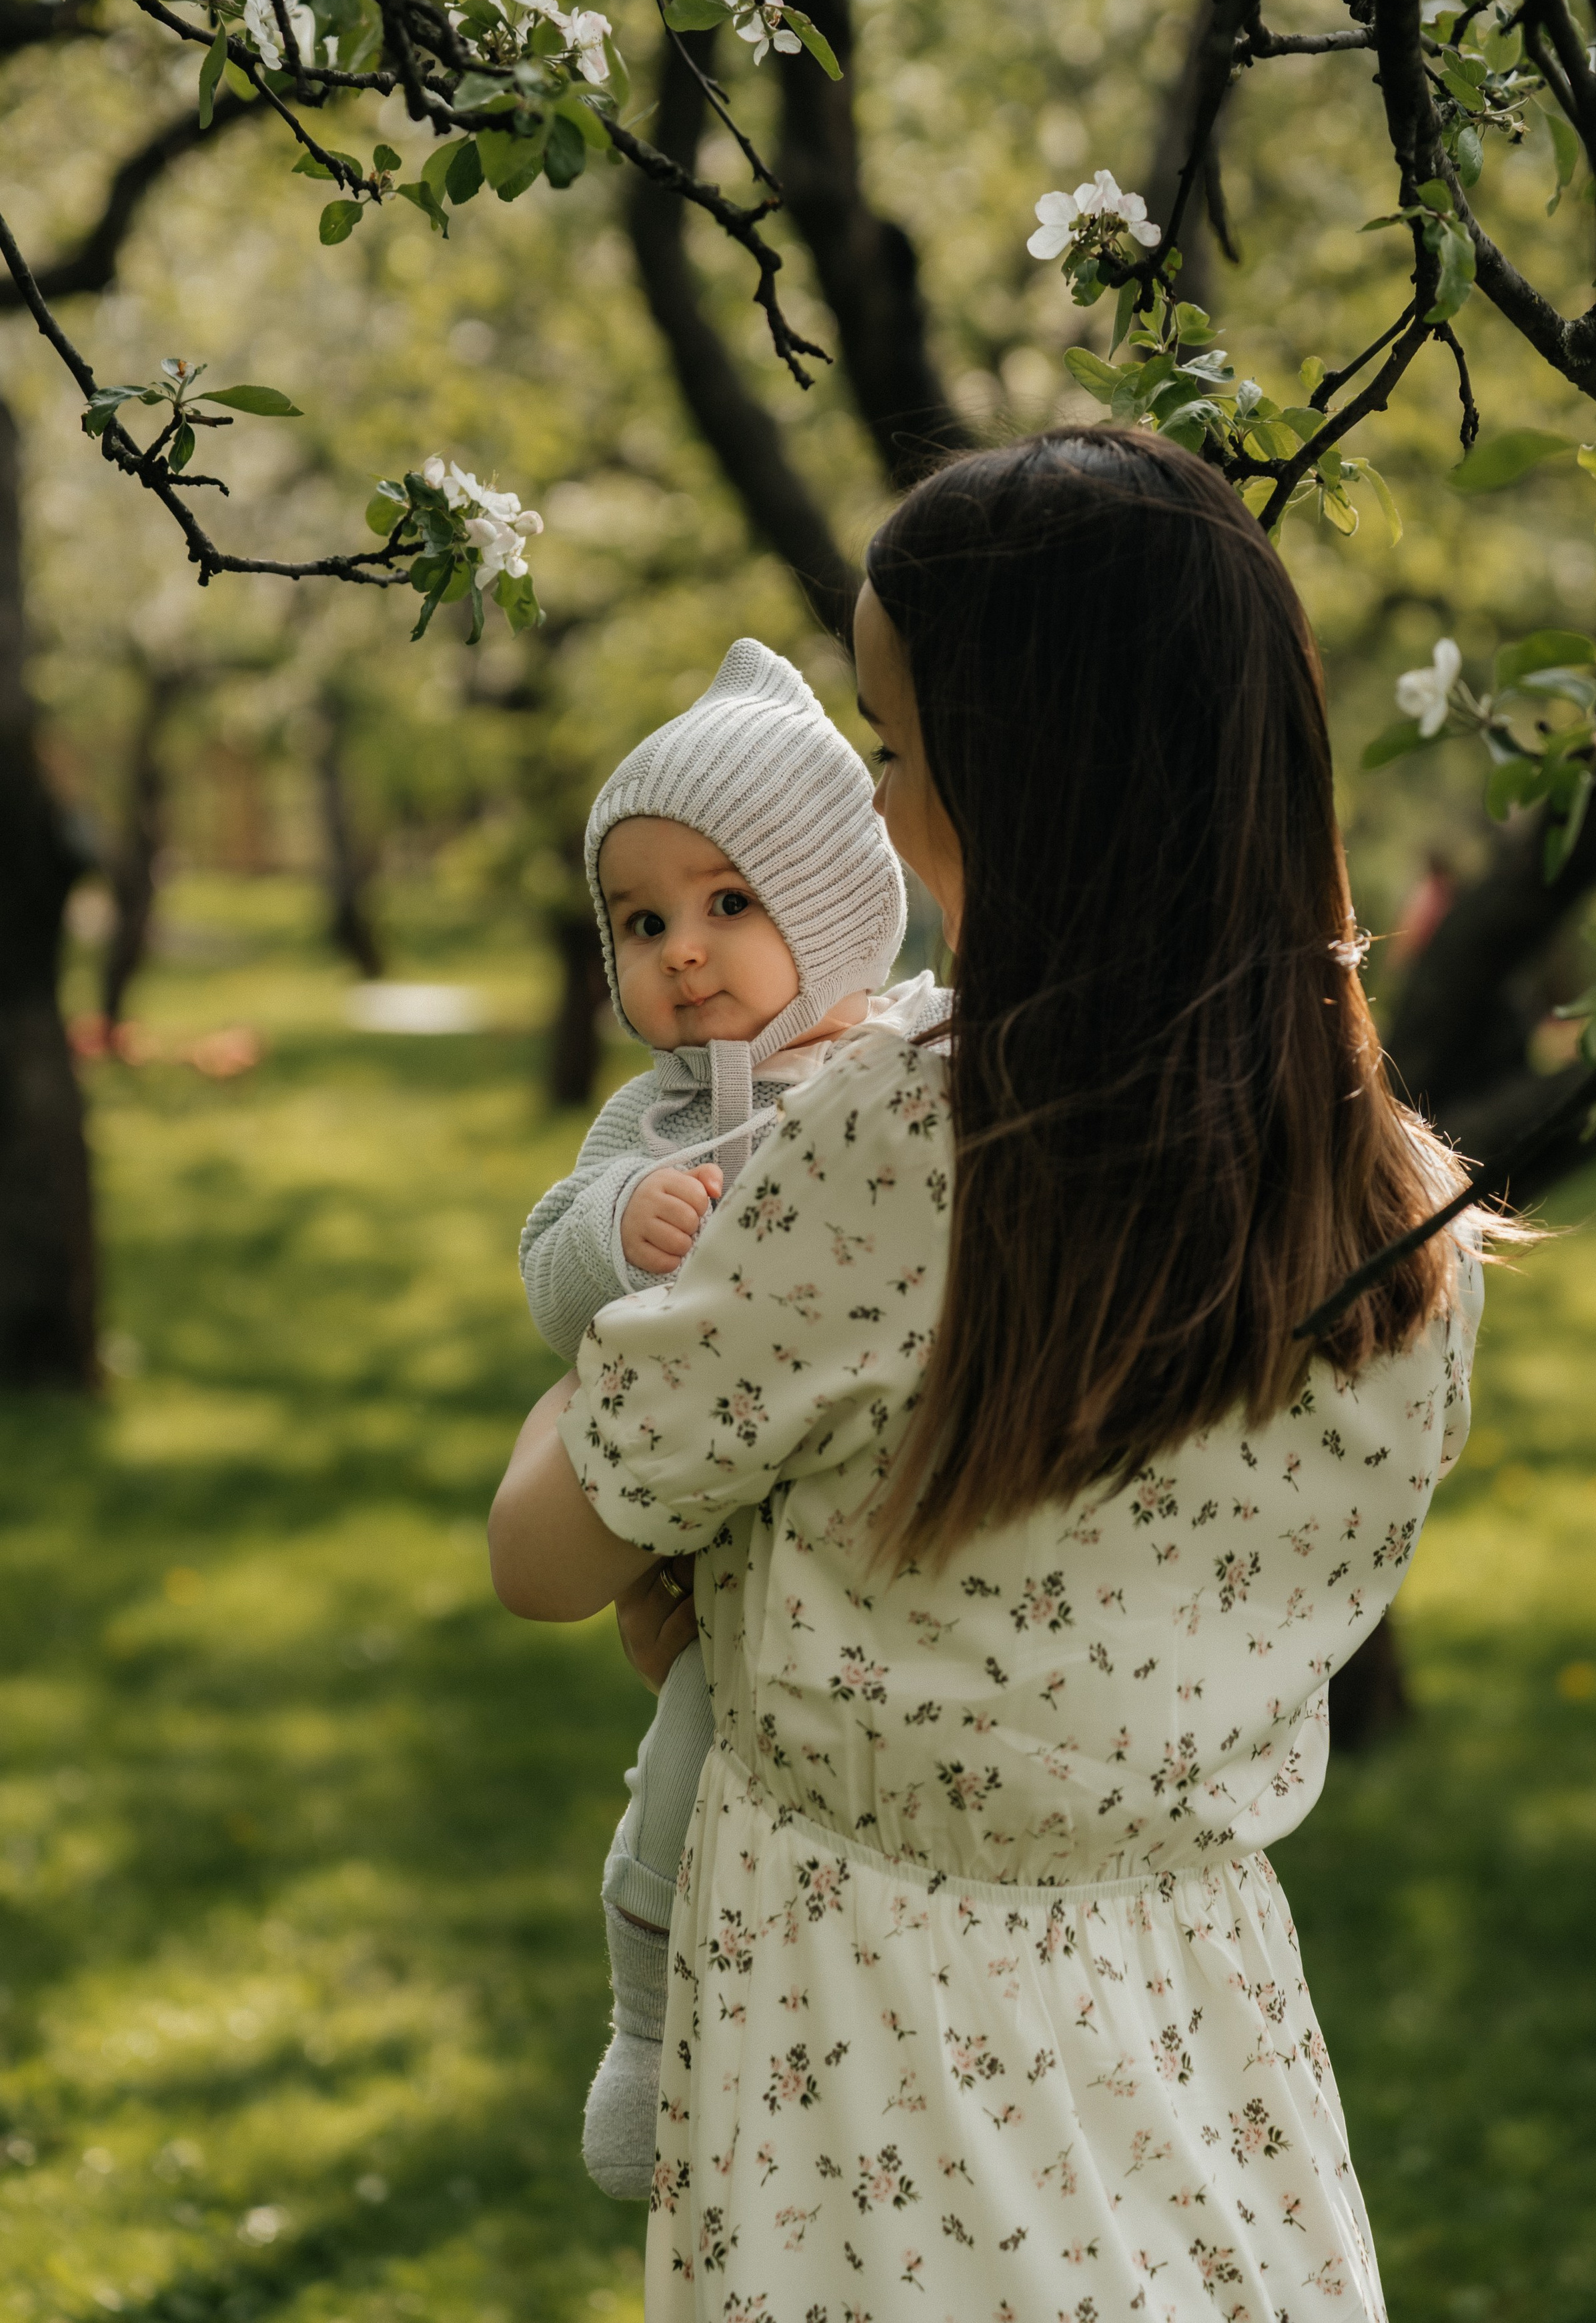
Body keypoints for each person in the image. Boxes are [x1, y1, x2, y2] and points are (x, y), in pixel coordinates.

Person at [490, 426, 1489, 2321]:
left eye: (890, 742)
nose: (872, 798)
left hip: (869, 2024)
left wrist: (615, 1382)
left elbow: (544, 1551)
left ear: (1009, 777)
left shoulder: (896, 1137)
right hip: (1199, 2017)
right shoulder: (1406, 1206)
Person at [516, 636, 948, 2198]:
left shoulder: (898, 1064)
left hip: (846, 1546)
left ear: (835, 905)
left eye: (727, 903)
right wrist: (618, 1220)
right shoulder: (652, 1122)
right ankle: (642, 2033)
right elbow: (548, 1270)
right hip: (689, 1531)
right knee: (672, 1787)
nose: (681, 953)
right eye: (640, 921)